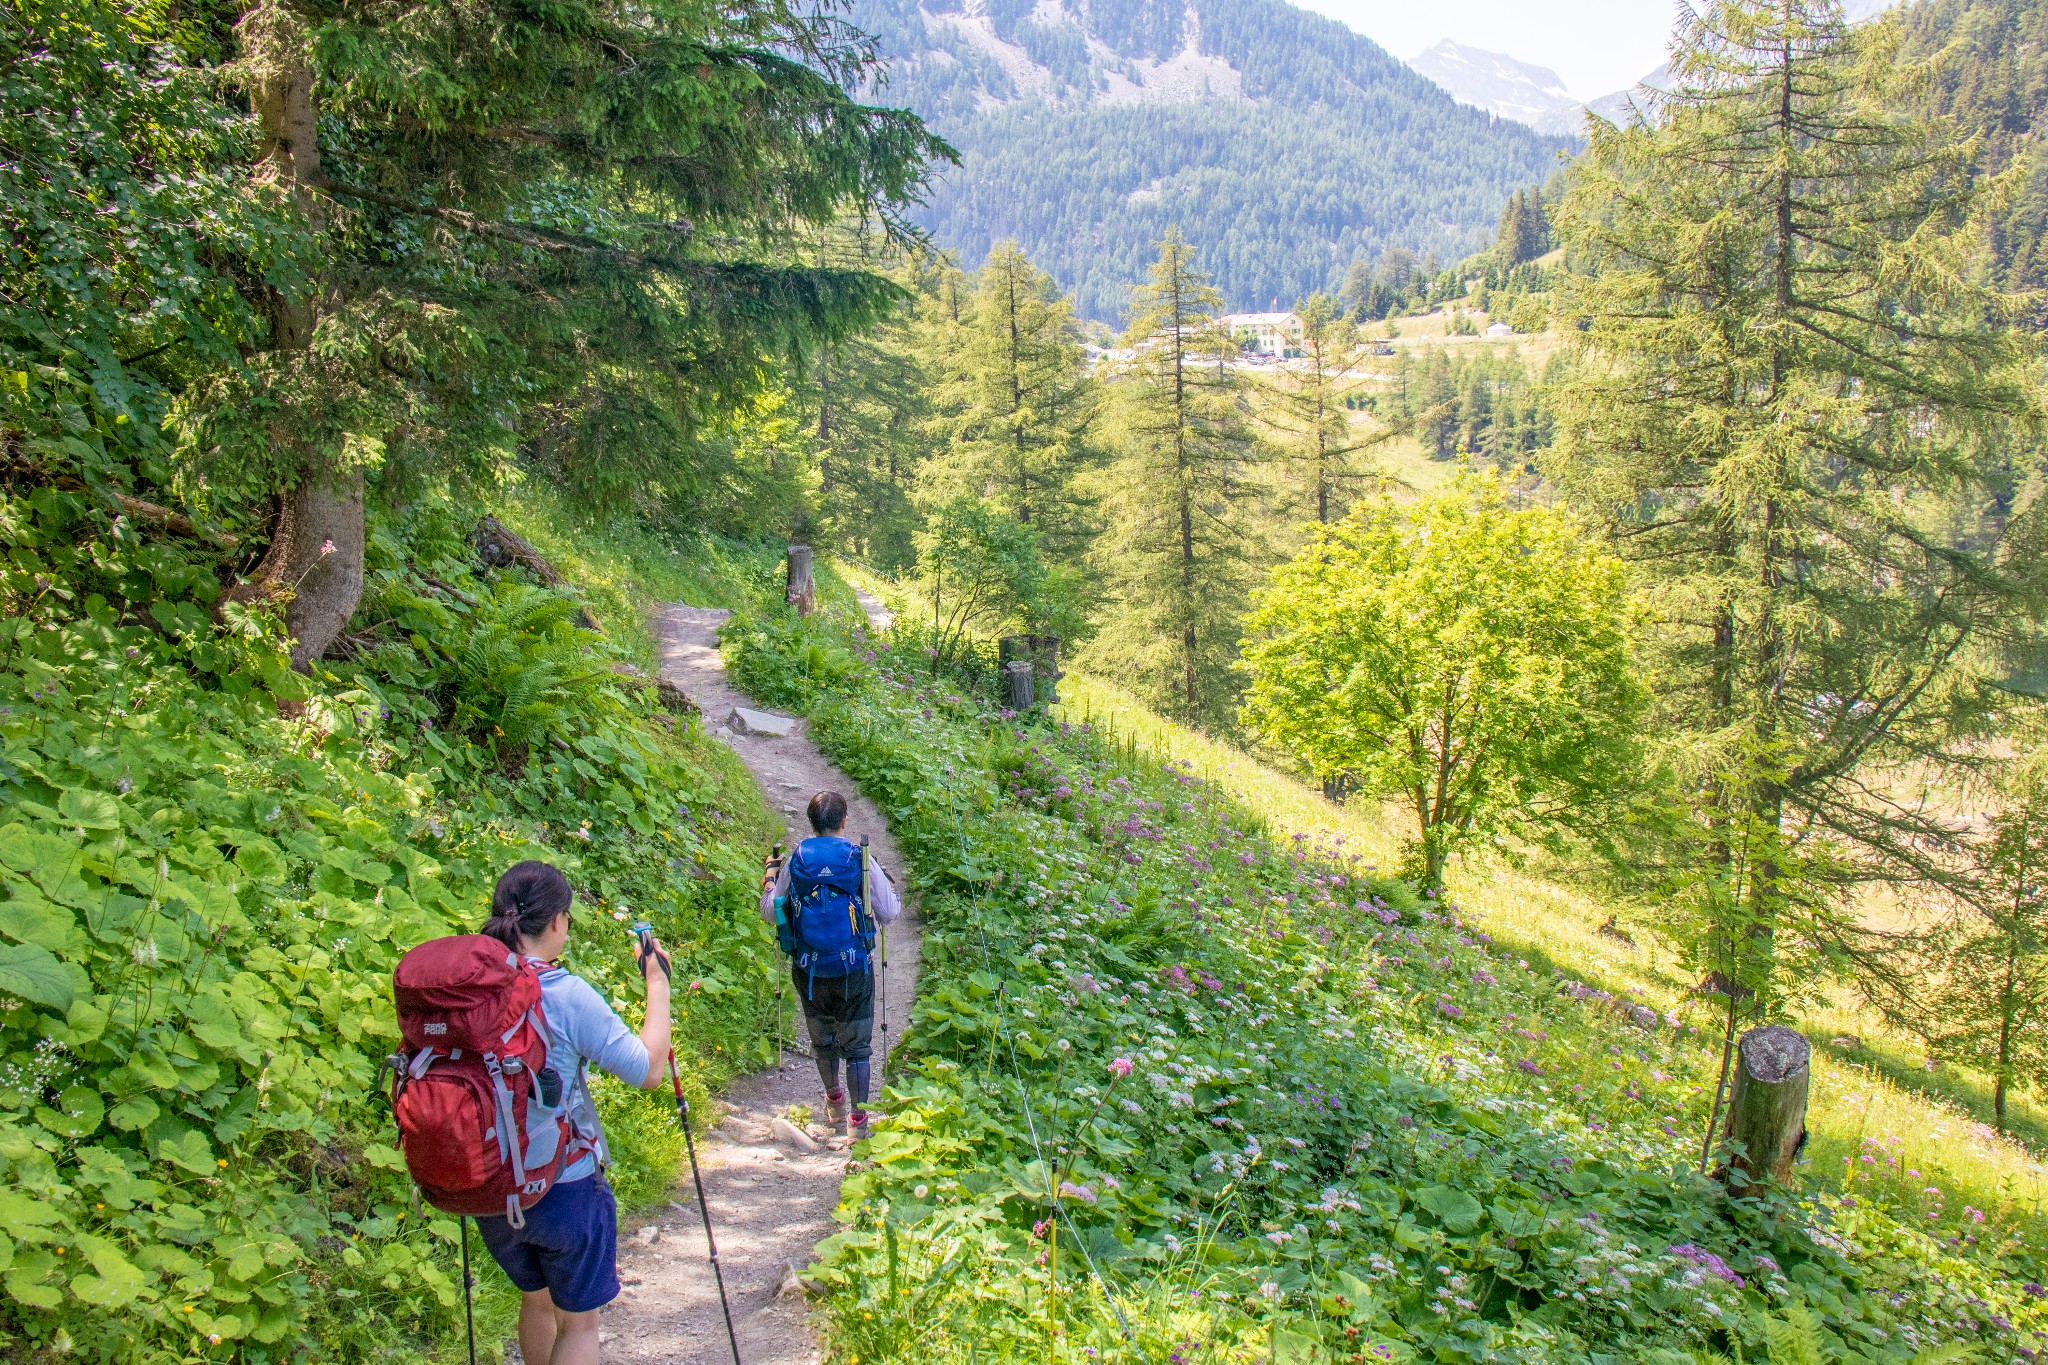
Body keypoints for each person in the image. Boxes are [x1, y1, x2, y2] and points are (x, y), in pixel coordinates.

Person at [473, 861, 672, 1365]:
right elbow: (647, 1070)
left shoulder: (469, 989)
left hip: (490, 1188)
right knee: (579, 1323)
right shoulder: (564, 994)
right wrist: (657, 983)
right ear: (557, 921)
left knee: (534, 1298)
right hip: (561, 1186)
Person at [759, 791, 903, 1141]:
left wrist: (767, 881)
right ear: (844, 821)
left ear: (811, 822)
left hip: (809, 968)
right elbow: (889, 913)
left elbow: (770, 911)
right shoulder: (859, 858)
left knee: (823, 1040)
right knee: (858, 1046)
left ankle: (834, 1102)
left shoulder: (797, 860)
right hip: (854, 969)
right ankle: (858, 1122)